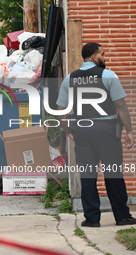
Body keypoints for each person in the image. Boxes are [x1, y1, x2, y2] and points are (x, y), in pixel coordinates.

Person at [57, 42, 136, 227]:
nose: (105, 58)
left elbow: (62, 109)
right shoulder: (108, 75)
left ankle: (92, 219)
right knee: (113, 174)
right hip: (107, 130)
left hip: (82, 130)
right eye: (103, 54)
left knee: (88, 176)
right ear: (94, 57)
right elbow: (121, 106)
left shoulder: (70, 78)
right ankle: (122, 217)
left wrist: (68, 130)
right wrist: (130, 131)